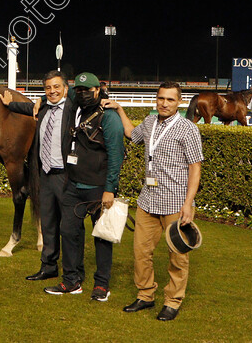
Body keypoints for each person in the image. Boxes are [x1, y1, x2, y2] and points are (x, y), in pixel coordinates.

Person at [106, 82, 203, 321]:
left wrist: (188, 203)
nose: (164, 103)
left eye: (170, 100)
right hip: (147, 201)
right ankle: (145, 295)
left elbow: (195, 168)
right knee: (141, 253)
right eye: (161, 98)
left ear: (179, 102)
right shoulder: (149, 122)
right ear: (156, 99)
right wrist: (119, 110)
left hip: (174, 203)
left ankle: (172, 301)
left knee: (177, 256)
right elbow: (132, 134)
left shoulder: (188, 129)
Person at [44, 72, 124, 302]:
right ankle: (71, 281)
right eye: (78, 90)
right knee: (68, 232)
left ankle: (102, 284)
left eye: (87, 90)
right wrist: (41, 98)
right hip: (73, 185)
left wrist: (110, 188)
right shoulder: (75, 104)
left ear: (98, 90)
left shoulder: (109, 117)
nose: (82, 94)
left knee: (102, 237)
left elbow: (116, 155)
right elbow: (59, 89)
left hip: (99, 188)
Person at [0, 70, 74, 282]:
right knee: (49, 224)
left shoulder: (71, 109)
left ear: (66, 89)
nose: (52, 91)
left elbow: (80, 93)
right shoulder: (42, 110)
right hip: (45, 175)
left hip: (65, 176)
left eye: (56, 87)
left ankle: (72, 273)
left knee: (68, 228)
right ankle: (48, 266)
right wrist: (9, 104)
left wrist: (42, 98)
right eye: (48, 88)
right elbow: (24, 107)